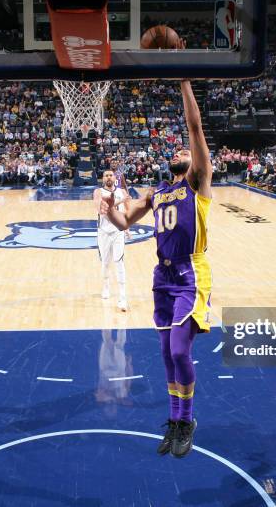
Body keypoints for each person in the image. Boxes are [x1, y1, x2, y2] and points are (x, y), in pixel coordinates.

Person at [100, 71, 211, 459]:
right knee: (167, 353)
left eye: (185, 149)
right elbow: (124, 223)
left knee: (181, 350)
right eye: (178, 150)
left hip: (189, 272)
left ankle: (189, 419)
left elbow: (195, 129)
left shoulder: (197, 181)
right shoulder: (158, 191)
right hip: (161, 276)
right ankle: (176, 420)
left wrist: (184, 82)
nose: (182, 149)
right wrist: (110, 211)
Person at [93, 170, 128, 311]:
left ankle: (123, 296)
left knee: (119, 262)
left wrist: (127, 227)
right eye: (106, 175)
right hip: (103, 232)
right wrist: (120, 201)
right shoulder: (98, 192)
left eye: (111, 175)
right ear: (103, 179)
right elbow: (102, 210)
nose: (108, 177)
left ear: (115, 178)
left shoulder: (122, 192)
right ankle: (106, 286)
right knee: (105, 263)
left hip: (118, 232)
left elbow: (125, 212)